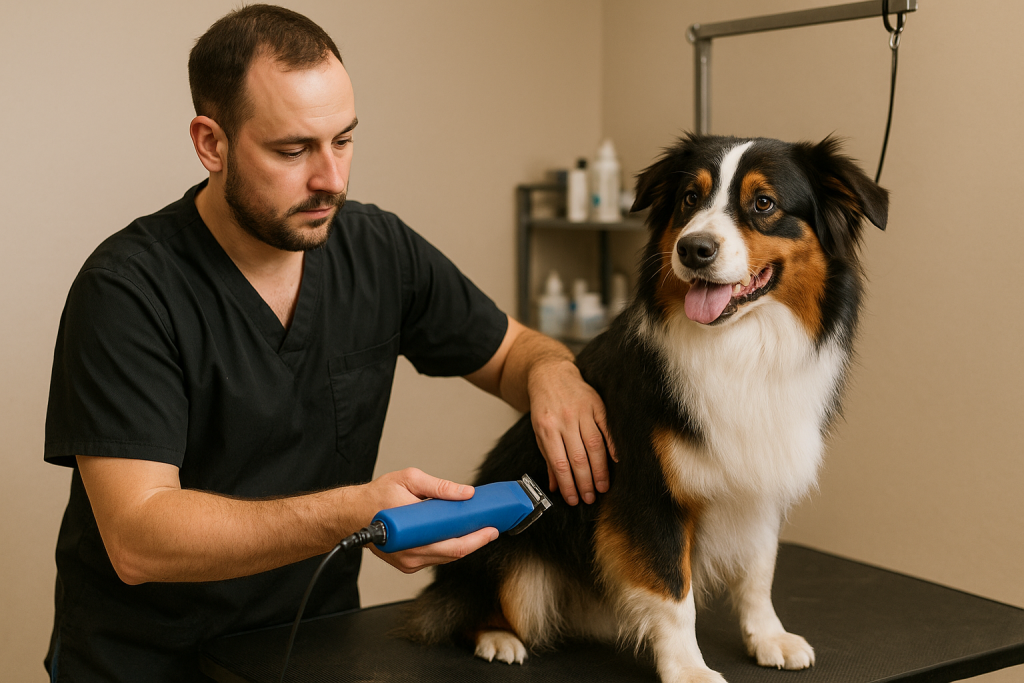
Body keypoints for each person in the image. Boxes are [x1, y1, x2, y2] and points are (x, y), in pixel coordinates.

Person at [42, 5, 614, 682]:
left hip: (311, 649)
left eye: (343, 141)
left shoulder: (378, 250)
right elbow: (138, 537)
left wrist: (552, 371)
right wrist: (351, 512)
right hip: (145, 664)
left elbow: (516, 352)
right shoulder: (127, 290)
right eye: (293, 150)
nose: (331, 179)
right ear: (211, 143)